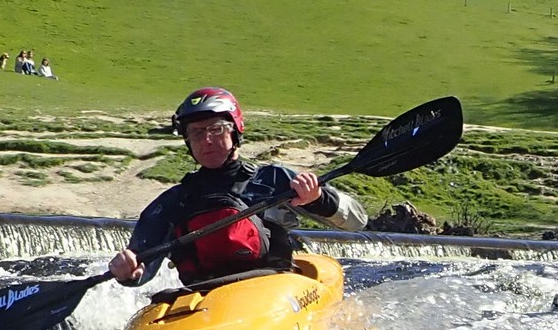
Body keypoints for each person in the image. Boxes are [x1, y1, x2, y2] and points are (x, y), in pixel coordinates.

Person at [108, 87, 367, 287]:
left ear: (235, 132)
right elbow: (141, 266)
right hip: (205, 297)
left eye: (216, 129)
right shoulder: (173, 202)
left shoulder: (273, 179)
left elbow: (357, 221)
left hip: (272, 288)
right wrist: (129, 272)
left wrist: (319, 198)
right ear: (188, 142)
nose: (207, 140)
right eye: (197, 133)